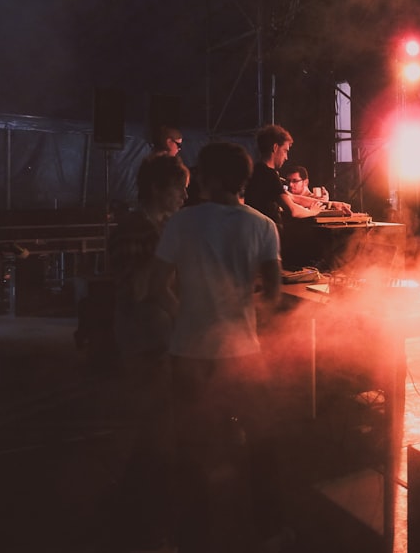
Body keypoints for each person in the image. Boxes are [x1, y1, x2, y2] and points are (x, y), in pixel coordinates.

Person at [150, 141, 288, 553]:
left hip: (189, 353)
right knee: (261, 442)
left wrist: (185, 317)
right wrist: (248, 321)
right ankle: (269, 532)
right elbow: (274, 296)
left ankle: (191, 539)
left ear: (205, 179)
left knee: (192, 447)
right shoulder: (263, 226)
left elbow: (157, 288)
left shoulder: (181, 223)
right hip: (243, 351)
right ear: (244, 179)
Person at [108, 152, 189, 551]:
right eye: (179, 188)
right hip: (144, 340)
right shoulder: (132, 229)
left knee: (162, 429)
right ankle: (137, 523)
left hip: (165, 335)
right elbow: (134, 290)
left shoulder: (165, 226)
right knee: (157, 431)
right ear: (158, 188)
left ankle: (141, 517)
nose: (184, 196)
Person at [243, 124, 323, 225]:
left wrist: (333, 204)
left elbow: (293, 197)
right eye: (285, 151)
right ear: (275, 147)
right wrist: (313, 212)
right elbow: (293, 210)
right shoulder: (270, 175)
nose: (286, 157)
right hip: (268, 235)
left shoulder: (255, 170)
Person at [282, 164, 352, 214]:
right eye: (288, 181)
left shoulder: (318, 200)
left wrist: (326, 204)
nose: (290, 184)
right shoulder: (286, 197)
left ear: (305, 182)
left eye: (295, 181)